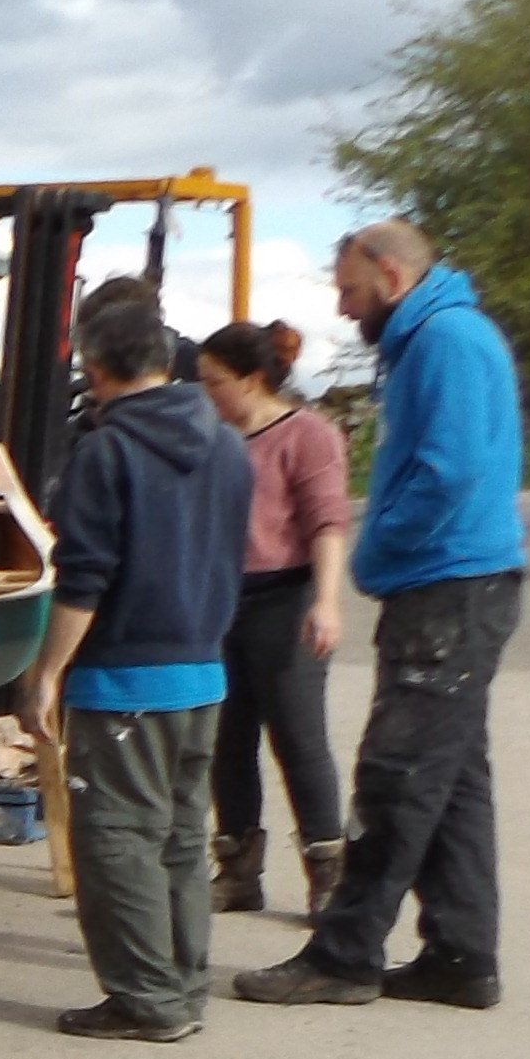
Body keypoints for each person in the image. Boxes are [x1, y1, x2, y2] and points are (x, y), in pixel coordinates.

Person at [237, 221, 526, 1010]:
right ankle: (462, 956)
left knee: (397, 776)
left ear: (391, 276)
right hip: (459, 584)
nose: (343, 303)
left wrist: (380, 550)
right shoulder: (437, 337)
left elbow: (451, 472)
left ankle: (345, 954)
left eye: (350, 289)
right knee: (454, 776)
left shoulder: (443, 342)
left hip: (448, 587)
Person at [23, 276, 250, 1043]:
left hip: (126, 684)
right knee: (183, 841)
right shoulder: (226, 443)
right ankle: (183, 989)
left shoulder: (106, 451)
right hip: (204, 677)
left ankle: (145, 1000)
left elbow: (85, 578)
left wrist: (46, 674)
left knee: (118, 840)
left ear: (97, 369)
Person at [195, 319, 355, 919]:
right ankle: (237, 866)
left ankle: (327, 870)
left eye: (215, 381)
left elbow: (328, 520)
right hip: (223, 600)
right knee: (227, 739)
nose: (207, 393)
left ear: (252, 379)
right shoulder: (216, 437)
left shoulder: (306, 434)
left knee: (298, 736)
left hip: (285, 597)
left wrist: (327, 600)